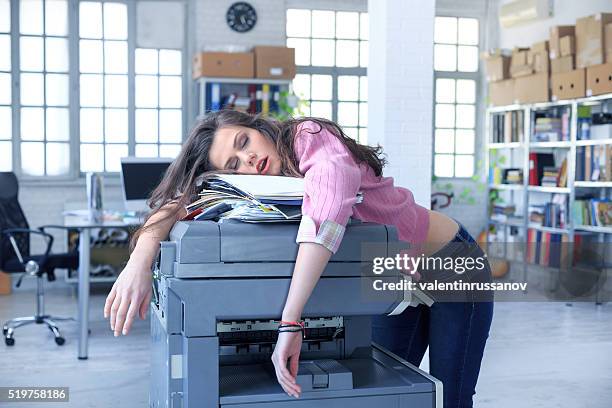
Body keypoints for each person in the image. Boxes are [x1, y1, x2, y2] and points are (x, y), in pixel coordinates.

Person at [103, 110, 493, 407]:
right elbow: (178, 202)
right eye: (232, 165)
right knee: (387, 396)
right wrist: (137, 263)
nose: (248, 159)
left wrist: (290, 322)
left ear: (256, 126)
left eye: (244, 141)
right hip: (393, 282)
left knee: (452, 395)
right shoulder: (253, 184)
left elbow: (326, 218)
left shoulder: (309, 138)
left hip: (449, 264)